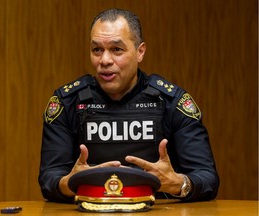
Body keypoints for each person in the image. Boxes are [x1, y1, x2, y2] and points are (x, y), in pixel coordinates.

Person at [38, 8, 219, 203]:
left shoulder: (171, 102)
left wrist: (177, 183)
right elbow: (49, 178)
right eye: (97, 49)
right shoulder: (67, 102)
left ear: (140, 52)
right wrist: (70, 182)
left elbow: (207, 178)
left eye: (117, 49)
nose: (105, 60)